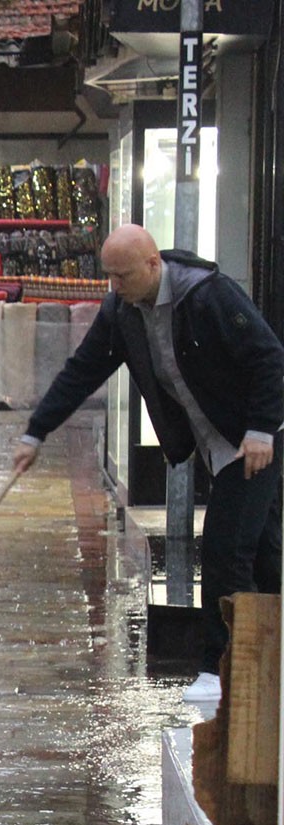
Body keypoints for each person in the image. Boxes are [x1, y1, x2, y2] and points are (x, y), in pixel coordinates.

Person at [15, 224, 284, 703]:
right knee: (264, 554)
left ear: (153, 264)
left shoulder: (208, 295)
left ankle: (219, 671)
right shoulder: (122, 312)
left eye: (123, 276)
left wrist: (261, 429)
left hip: (253, 442)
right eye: (109, 277)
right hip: (217, 446)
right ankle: (264, 661)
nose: (115, 287)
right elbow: (83, 370)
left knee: (226, 553)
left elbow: (268, 357)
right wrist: (37, 430)